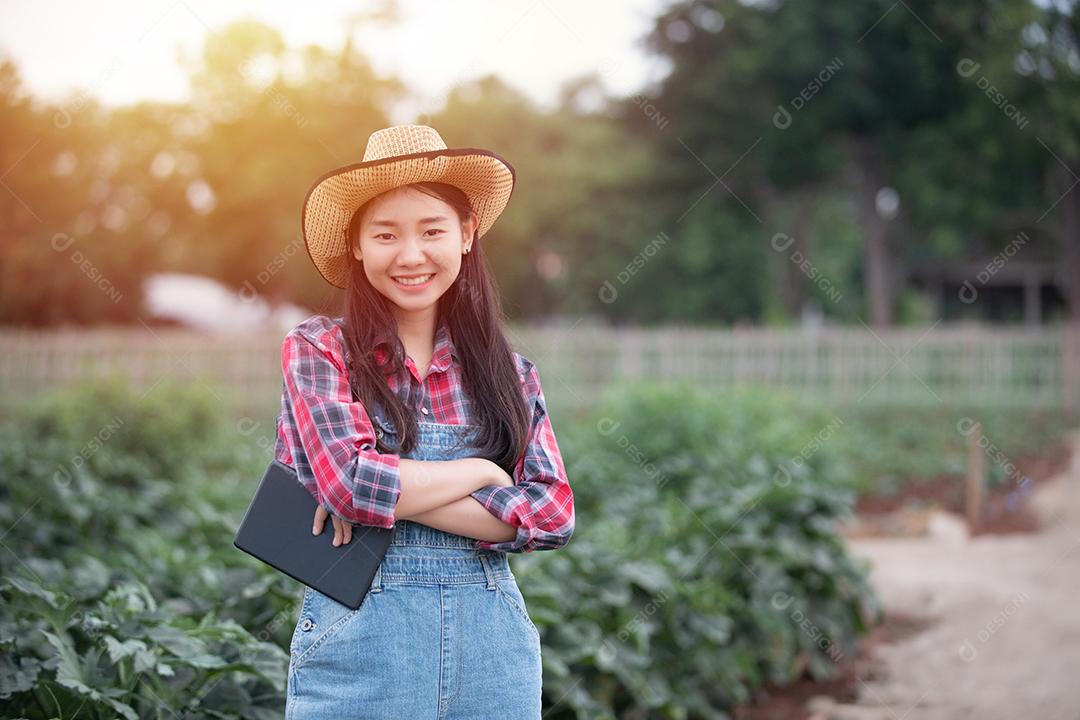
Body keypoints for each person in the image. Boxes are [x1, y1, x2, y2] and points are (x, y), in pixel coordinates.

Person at [274, 124, 575, 718]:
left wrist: (382, 490)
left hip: (493, 660)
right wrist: (485, 472)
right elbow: (349, 486)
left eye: (432, 230)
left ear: (466, 235)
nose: (410, 255)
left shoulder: (510, 374)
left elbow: (553, 513)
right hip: (358, 652)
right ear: (356, 245)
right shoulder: (320, 349)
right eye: (385, 234)